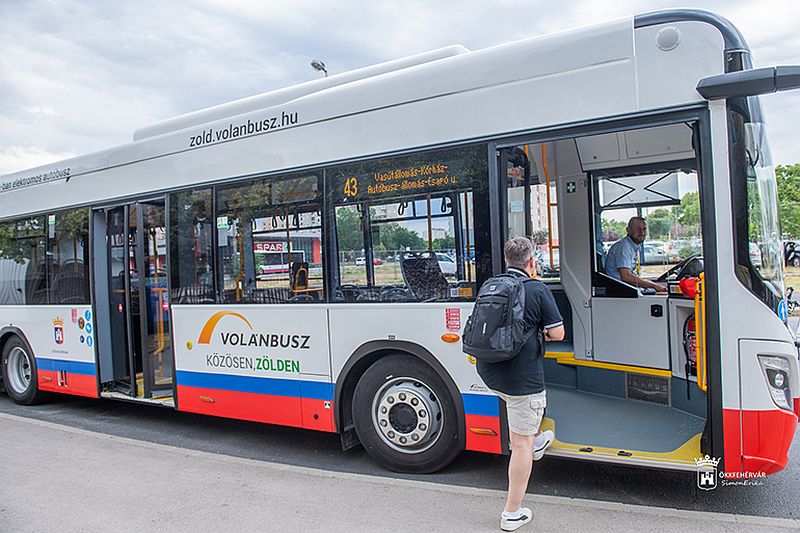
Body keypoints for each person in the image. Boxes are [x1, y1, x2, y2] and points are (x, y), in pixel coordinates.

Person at [476, 237, 565, 531]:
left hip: (490, 372)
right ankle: (512, 512)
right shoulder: (537, 289)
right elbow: (558, 334)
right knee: (521, 444)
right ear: (531, 263)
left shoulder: (492, 284)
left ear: (507, 261)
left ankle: (534, 436)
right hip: (521, 378)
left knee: (523, 414)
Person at [604, 216, 667, 293]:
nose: (642, 233)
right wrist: (653, 285)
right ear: (628, 230)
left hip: (628, 290)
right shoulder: (624, 247)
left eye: (644, 229)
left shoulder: (631, 246)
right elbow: (626, 277)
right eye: (638, 229)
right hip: (622, 293)